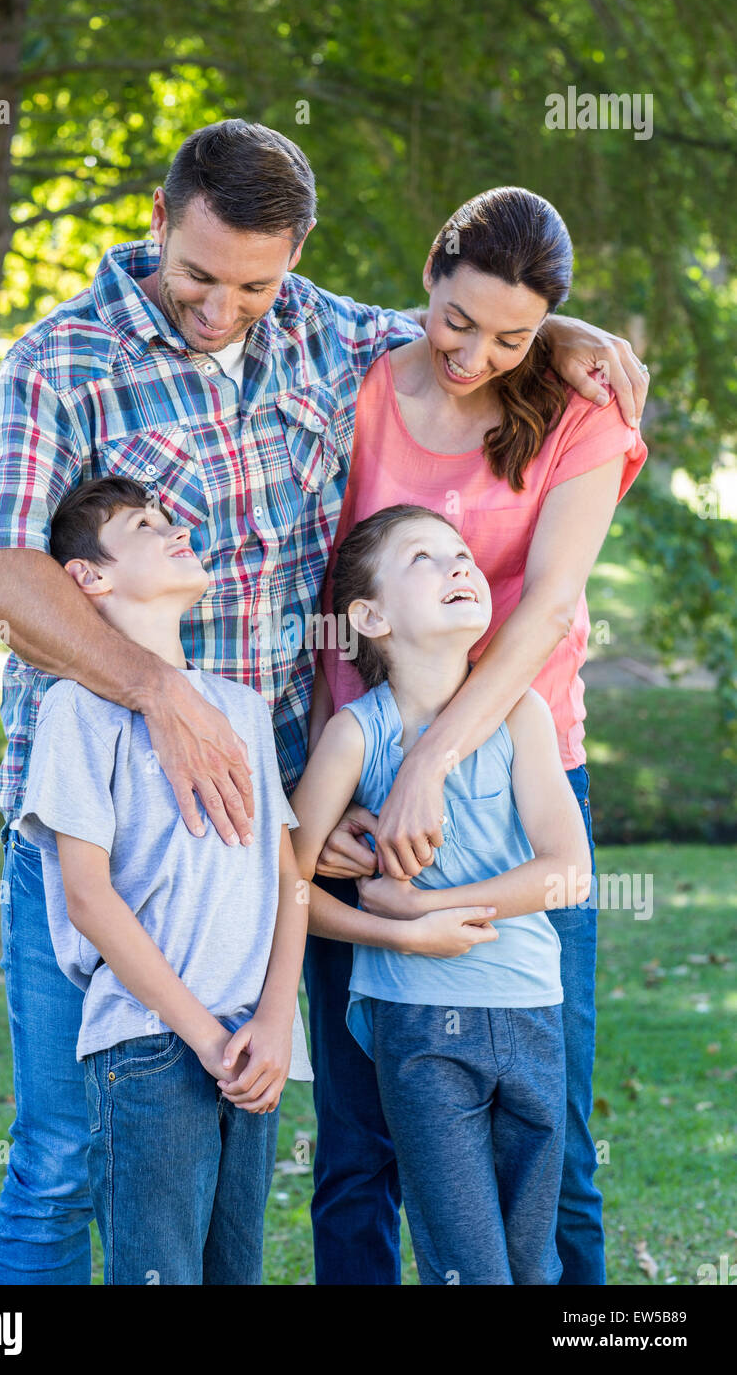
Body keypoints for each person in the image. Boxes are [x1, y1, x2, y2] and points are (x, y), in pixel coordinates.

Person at [0, 119, 648, 1285]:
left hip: (255, 820)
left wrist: (555, 334)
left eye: (253, 285)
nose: (220, 309)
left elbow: (452, 334)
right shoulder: (60, 360)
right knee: (66, 1152)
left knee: (233, 1129)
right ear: (158, 221)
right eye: (198, 276)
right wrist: (159, 695)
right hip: (102, 820)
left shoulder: (324, 331)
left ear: (297, 259)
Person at [307, 187, 648, 1285]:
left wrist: (435, 764)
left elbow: (546, 605)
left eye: (514, 336)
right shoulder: (355, 386)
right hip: (361, 776)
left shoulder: (580, 414)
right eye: (458, 322)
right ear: (425, 277)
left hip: (522, 769)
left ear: (546, 324)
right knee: (360, 1133)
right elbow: (330, 596)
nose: (476, 354)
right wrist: (352, 781)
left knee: (546, 1129)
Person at [17, 474, 312, 1284]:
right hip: (149, 1049)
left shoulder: (241, 710)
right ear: (90, 577)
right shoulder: (75, 711)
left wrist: (276, 1021)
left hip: (252, 1051)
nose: (175, 528)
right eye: (145, 526)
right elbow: (88, 896)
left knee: (234, 1273)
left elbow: (290, 879)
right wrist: (204, 1036)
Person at [292, 505, 592, 1284]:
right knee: (467, 1264)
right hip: (419, 1028)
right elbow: (289, 888)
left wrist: (421, 907)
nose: (460, 565)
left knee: (533, 1263)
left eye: (462, 553)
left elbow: (570, 872)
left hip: (531, 1011)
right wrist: (397, 938)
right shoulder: (356, 736)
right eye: (425, 557)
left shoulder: (523, 714)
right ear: (370, 616)